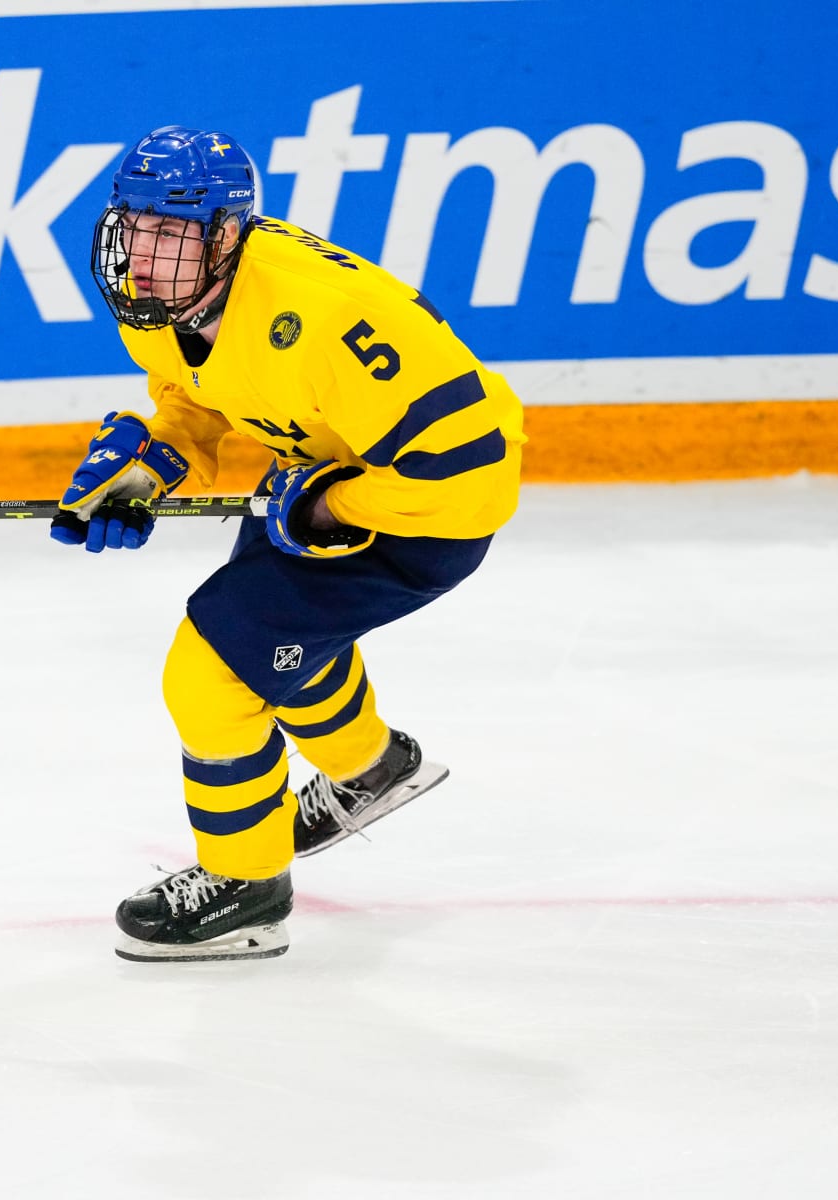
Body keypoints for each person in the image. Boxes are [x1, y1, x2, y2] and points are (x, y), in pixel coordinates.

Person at [50, 126, 525, 962]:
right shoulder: (166, 300)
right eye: (134, 227)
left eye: (171, 232)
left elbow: (475, 471)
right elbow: (200, 402)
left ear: (226, 234)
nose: (145, 258)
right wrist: (147, 468)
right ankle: (373, 770)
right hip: (320, 479)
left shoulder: (327, 318)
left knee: (209, 677)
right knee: (275, 646)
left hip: (421, 520)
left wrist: (334, 505)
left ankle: (246, 885)